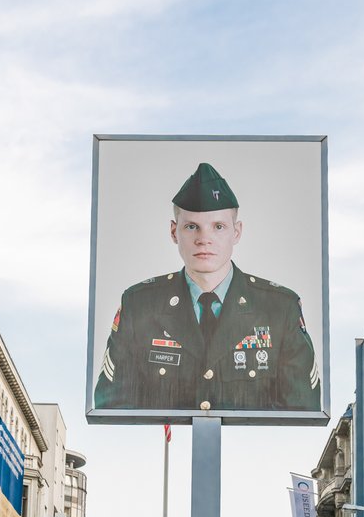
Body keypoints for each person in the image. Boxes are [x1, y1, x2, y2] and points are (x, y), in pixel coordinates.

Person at [93, 162, 320, 414]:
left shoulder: (279, 308)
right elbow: (111, 408)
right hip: (162, 452)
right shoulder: (140, 305)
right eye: (192, 226)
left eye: (218, 227)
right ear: (173, 231)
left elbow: (302, 411)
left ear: (237, 232)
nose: (204, 239)